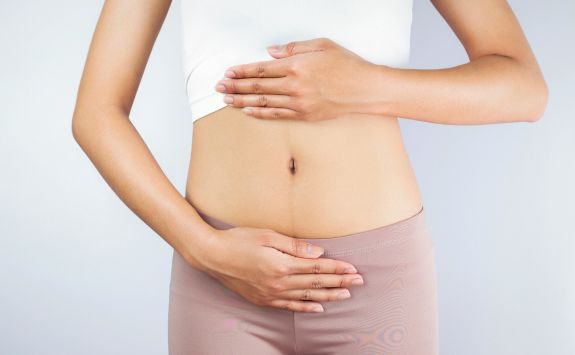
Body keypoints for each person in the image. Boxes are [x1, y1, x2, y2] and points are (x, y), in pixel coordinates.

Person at [71, 0, 548, 354]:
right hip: (222, 278)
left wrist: (366, 86)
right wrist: (203, 248)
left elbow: (523, 89)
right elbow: (95, 113)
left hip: (374, 281)